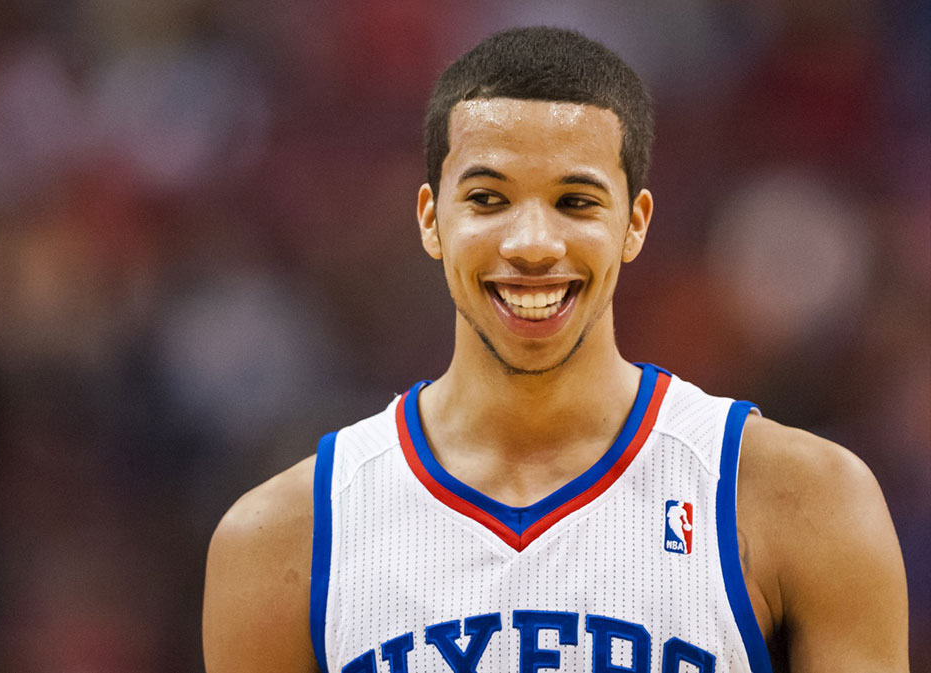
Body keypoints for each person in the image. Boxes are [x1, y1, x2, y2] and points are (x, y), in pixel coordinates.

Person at [202, 27, 908, 672]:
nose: (532, 244)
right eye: (487, 199)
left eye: (576, 201)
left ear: (635, 224)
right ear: (430, 218)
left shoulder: (802, 499)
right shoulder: (283, 538)